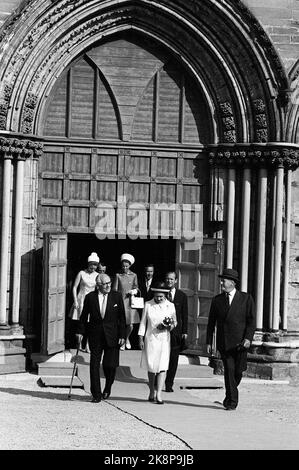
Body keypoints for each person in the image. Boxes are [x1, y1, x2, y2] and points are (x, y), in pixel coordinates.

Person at [206, 268, 256, 411]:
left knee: (238, 372)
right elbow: (211, 323)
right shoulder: (217, 300)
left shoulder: (246, 298)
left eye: (224, 280)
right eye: (222, 279)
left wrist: (248, 338)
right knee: (229, 370)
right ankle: (232, 402)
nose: (221, 282)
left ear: (233, 283)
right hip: (225, 343)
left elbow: (251, 321)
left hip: (241, 343)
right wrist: (209, 342)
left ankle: (229, 396)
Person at [76, 273, 126, 403]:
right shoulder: (90, 298)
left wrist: (122, 335)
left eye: (109, 283)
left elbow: (122, 317)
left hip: (113, 336)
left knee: (110, 365)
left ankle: (108, 386)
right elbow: (83, 316)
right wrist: (80, 332)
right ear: (98, 285)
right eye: (105, 284)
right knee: (94, 365)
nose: (108, 286)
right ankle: (96, 394)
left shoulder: (117, 296)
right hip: (96, 335)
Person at [138, 281, 177, 404]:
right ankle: (151, 391)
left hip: (164, 340)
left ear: (165, 295)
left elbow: (175, 322)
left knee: (162, 366)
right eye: (156, 296)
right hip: (151, 339)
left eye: (161, 297)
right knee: (151, 366)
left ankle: (159, 394)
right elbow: (143, 322)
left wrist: (168, 326)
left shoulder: (170, 306)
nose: (158, 298)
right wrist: (140, 337)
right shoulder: (148, 305)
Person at [69, 252, 100, 351]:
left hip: (92, 301)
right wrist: (75, 301)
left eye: (95, 265)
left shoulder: (98, 275)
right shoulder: (81, 273)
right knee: (81, 323)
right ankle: (79, 344)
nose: (93, 267)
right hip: (81, 299)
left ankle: (87, 345)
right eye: (92, 264)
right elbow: (74, 287)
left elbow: (99, 289)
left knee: (90, 324)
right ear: (88, 264)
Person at [164, 271, 188, 392]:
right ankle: (158, 380)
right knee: (162, 356)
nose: (169, 281)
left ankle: (169, 383)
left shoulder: (182, 296)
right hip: (162, 332)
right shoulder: (161, 294)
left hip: (176, 333)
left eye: (172, 279)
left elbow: (184, 315)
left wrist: (185, 331)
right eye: (167, 279)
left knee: (173, 358)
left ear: (176, 281)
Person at [112, 253, 139, 350]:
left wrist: (133, 291)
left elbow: (136, 288)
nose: (124, 268)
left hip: (130, 302)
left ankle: (127, 338)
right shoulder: (118, 275)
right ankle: (122, 341)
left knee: (130, 325)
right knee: (121, 323)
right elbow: (114, 290)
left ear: (130, 266)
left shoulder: (134, 275)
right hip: (120, 301)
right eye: (123, 266)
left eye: (126, 266)